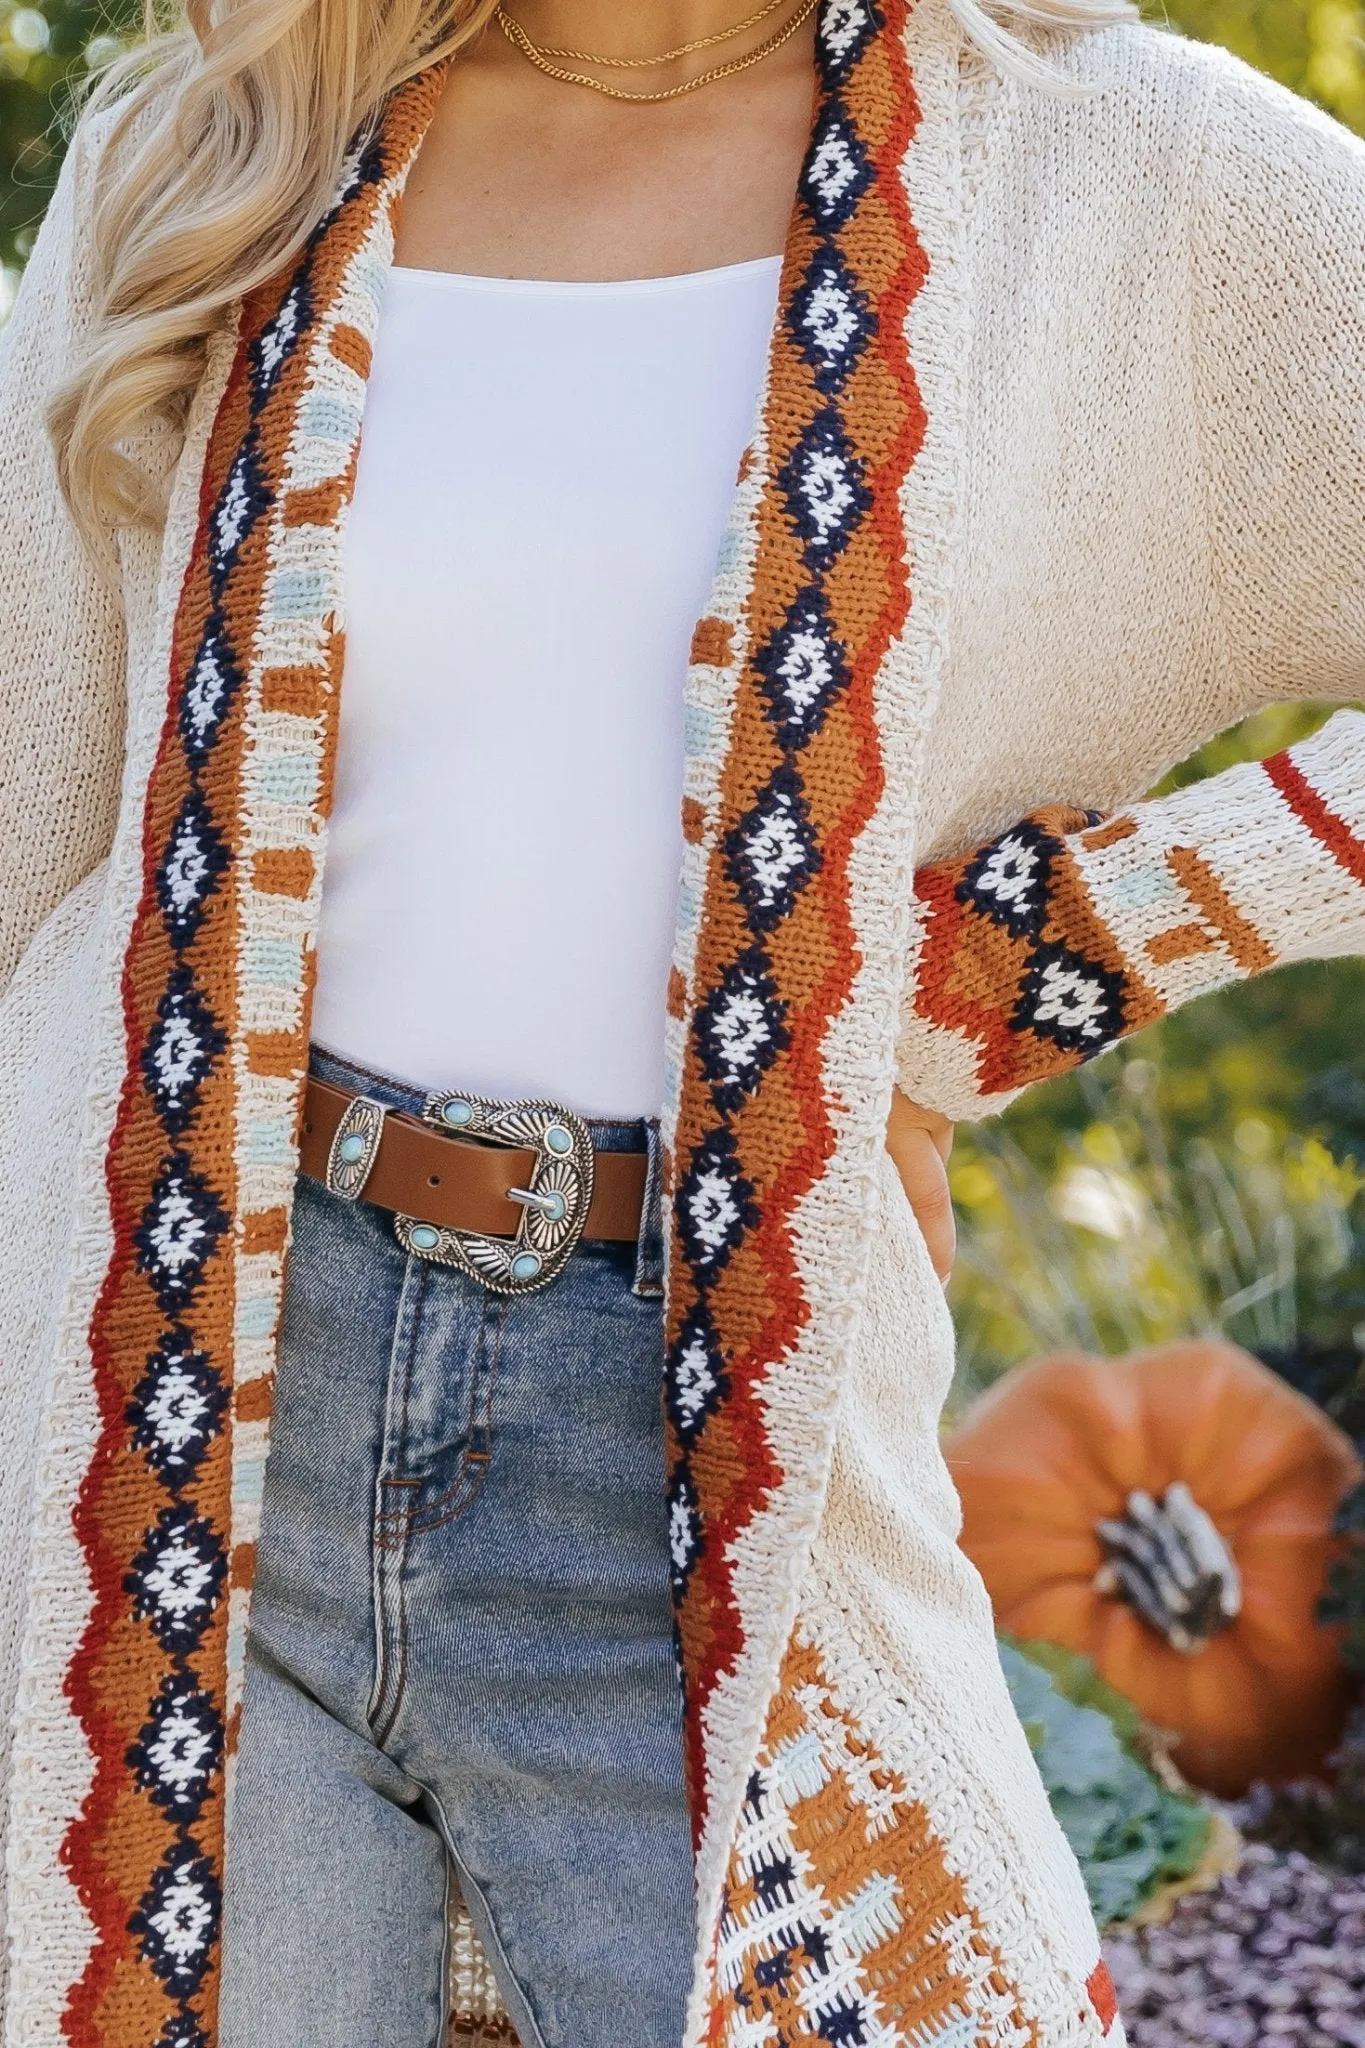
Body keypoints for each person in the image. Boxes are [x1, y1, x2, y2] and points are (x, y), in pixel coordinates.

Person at [0, 0, 1361, 2042]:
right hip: (188, 1419)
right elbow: (34, 811)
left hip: (682, 1445)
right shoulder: (224, 144)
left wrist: (1040, 953)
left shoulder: (1111, 167)